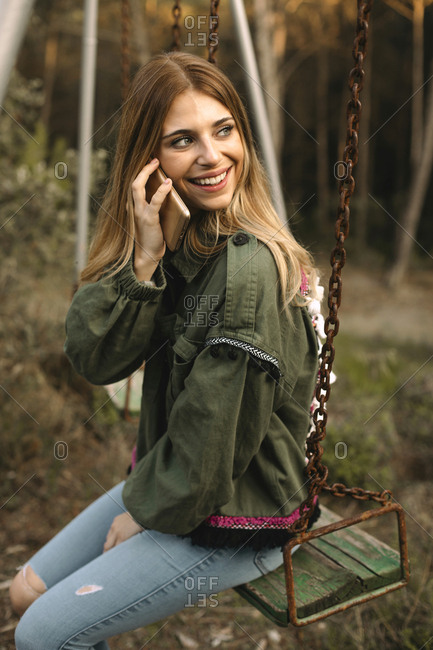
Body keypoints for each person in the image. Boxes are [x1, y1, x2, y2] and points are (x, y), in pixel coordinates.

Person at [11, 51, 321, 649]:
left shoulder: (249, 270)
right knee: (26, 590)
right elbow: (96, 359)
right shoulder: (185, 244)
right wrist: (146, 260)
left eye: (223, 130)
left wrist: (144, 515)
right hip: (179, 482)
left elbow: (211, 440)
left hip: (234, 517)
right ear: (151, 164)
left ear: (243, 138)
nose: (211, 155)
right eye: (184, 140)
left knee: (41, 634)